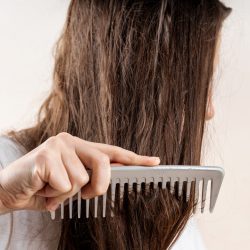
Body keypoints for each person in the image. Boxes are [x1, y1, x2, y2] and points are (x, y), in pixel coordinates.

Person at [0, 0, 231, 249]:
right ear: (141, 76)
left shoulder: (178, 229)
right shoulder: (9, 171)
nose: (208, 111)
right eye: (198, 86)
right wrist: (4, 195)